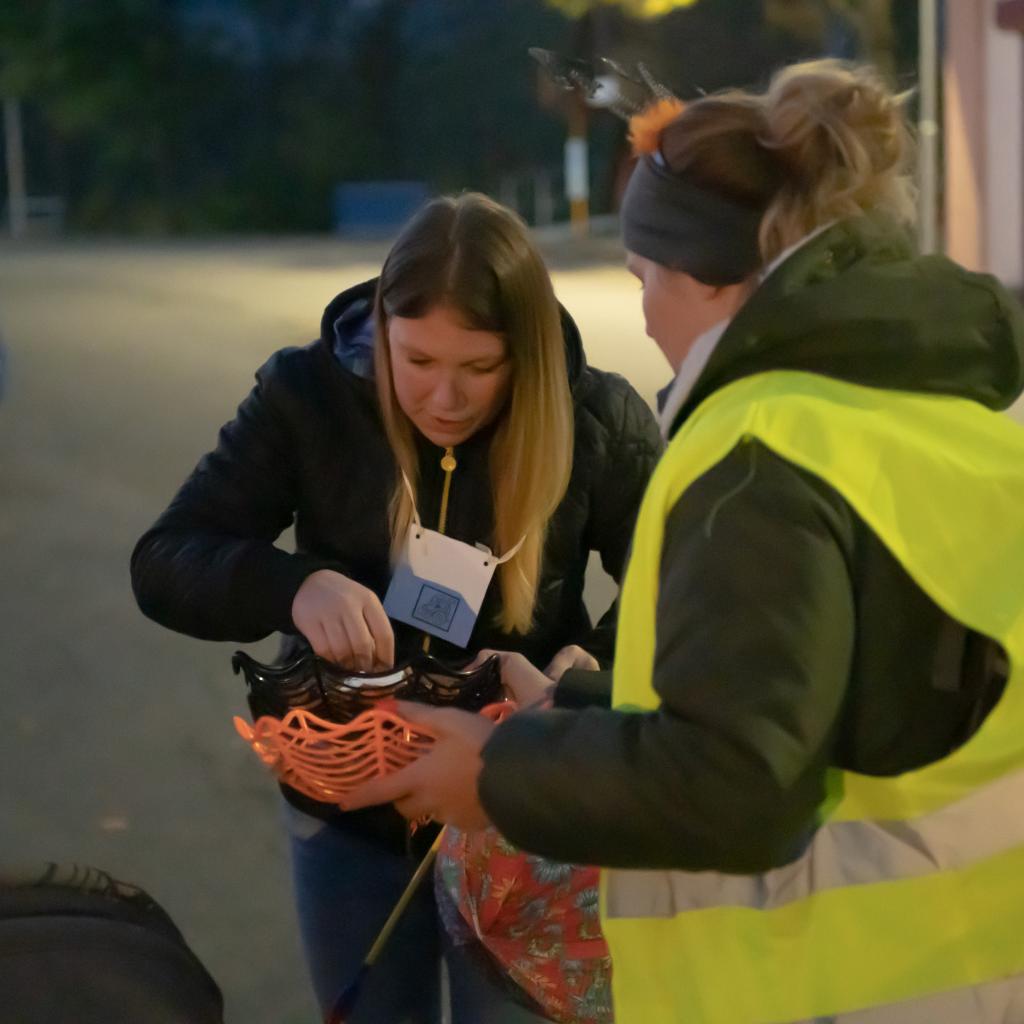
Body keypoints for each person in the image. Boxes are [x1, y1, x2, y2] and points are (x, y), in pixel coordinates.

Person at [344, 60, 1024, 1023]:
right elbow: (840, 691)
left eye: (644, 279)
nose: (645, 312)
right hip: (974, 956)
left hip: (827, 986)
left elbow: (736, 784)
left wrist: (496, 776)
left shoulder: (757, 453)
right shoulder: (944, 414)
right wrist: (575, 706)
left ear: (702, 275)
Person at [130, 191, 661, 1023]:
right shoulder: (307, 394)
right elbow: (165, 558)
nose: (445, 398)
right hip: (349, 809)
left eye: (480, 368)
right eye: (417, 360)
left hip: (516, 812)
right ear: (380, 329)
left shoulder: (599, 416)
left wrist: (592, 669)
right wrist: (292, 584)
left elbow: (684, 591)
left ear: (525, 353)